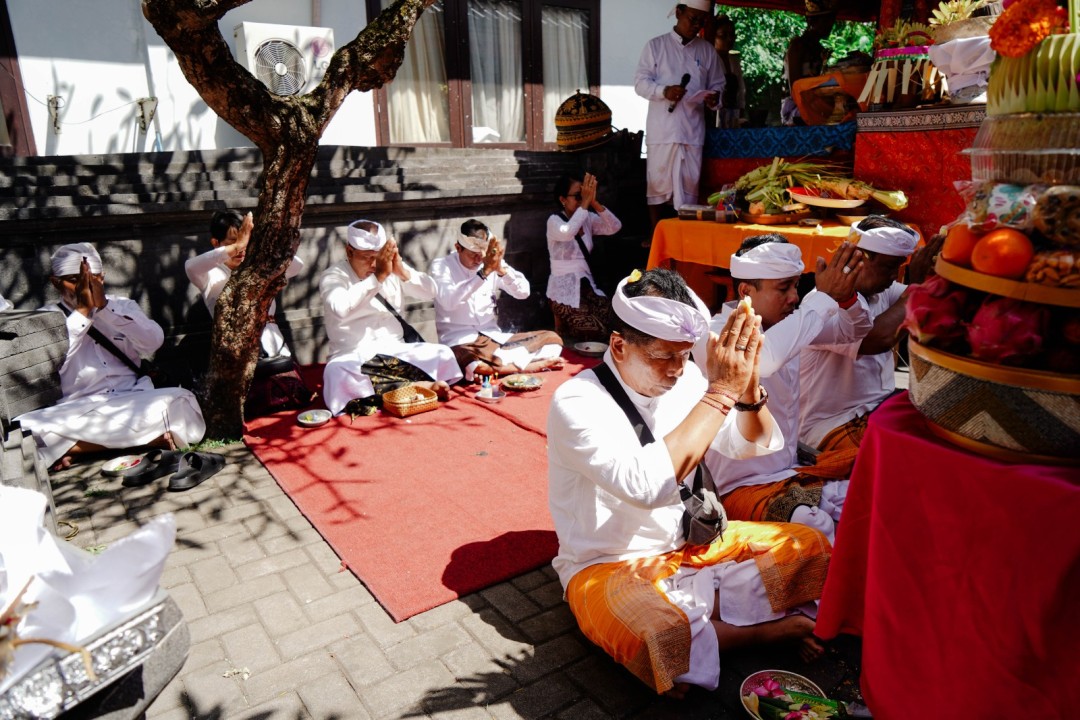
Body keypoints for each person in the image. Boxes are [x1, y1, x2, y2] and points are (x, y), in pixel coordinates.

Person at [548, 267, 832, 697]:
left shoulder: (687, 379)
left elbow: (750, 445)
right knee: (659, 637)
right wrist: (720, 394)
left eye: (685, 355)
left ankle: (704, 627)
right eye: (664, 357)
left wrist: (749, 390)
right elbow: (645, 487)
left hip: (693, 547)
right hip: (609, 564)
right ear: (620, 346)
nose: (679, 370)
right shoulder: (576, 401)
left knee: (810, 547)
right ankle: (766, 630)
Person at [698, 235, 870, 543]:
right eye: (783, 288)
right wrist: (824, 297)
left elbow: (853, 330)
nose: (794, 297)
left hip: (790, 473)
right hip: (737, 488)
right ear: (746, 292)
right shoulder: (714, 336)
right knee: (813, 526)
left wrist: (844, 298)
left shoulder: (788, 324)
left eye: (796, 286)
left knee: (871, 492)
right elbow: (764, 361)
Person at [15, 243, 206, 471]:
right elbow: (48, 364)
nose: (83, 287)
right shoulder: (44, 319)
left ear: (102, 278)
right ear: (55, 282)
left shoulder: (122, 305)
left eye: (92, 279)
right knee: (22, 428)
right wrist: (83, 313)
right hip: (77, 409)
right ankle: (149, 439)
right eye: (74, 280)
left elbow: (153, 341)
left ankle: (74, 447)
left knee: (182, 401)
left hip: (132, 399)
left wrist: (104, 308)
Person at [798, 216, 921, 450]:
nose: (894, 276)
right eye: (888, 267)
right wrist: (921, 287)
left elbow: (917, 303)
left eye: (899, 267)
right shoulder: (821, 303)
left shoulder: (880, 289)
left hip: (876, 408)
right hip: (826, 426)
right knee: (905, 453)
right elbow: (876, 339)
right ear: (860, 259)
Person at [319, 219, 462, 416]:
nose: (373, 264)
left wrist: (402, 271)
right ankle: (417, 385)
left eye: (377, 257)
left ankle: (397, 391)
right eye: (367, 257)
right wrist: (377, 278)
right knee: (337, 373)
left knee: (442, 353)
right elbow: (339, 308)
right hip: (353, 355)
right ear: (349, 252)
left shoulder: (390, 267)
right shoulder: (334, 276)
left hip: (397, 351)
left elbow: (431, 292)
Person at [430, 219, 564, 381]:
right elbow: (449, 301)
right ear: (458, 248)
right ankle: (527, 366)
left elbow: (524, 292)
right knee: (469, 361)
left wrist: (500, 269)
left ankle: (497, 369)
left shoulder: (490, 261)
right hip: (460, 342)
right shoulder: (441, 266)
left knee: (552, 339)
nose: (479, 260)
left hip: (494, 339)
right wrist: (484, 273)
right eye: (473, 255)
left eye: (482, 254)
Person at [634, 0, 724, 229]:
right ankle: (657, 237)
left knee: (689, 188)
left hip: (692, 131)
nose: (696, 26)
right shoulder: (656, 46)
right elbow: (640, 84)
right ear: (678, 12)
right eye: (692, 19)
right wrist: (664, 91)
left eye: (701, 22)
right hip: (662, 129)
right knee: (657, 186)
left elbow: (718, 84)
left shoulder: (707, 50)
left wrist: (715, 98)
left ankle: (684, 236)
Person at [185, 209, 303, 361]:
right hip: (236, 360)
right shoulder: (209, 274)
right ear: (216, 243)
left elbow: (297, 266)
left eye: (245, 242)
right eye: (232, 242)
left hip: (277, 351)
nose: (241, 249)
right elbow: (190, 267)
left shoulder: (261, 267)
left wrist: (263, 244)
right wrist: (236, 246)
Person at [546, 172, 623, 343]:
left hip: (587, 287)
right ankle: (565, 323)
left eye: (583, 195)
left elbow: (615, 226)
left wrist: (593, 201)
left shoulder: (586, 218)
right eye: (577, 196)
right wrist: (586, 204)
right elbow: (568, 232)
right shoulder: (554, 221)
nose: (582, 200)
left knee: (617, 324)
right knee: (597, 332)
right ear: (563, 199)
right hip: (563, 290)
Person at [781, 1, 837, 126]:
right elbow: (796, 89)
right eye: (826, 20)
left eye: (831, 21)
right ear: (812, 21)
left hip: (813, 105)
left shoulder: (818, 49)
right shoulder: (797, 46)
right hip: (795, 110)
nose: (830, 25)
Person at [707, 15, 746, 129]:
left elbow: (741, 92)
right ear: (713, 36)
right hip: (712, 117)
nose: (729, 39)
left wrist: (740, 116)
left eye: (732, 35)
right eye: (723, 35)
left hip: (732, 117)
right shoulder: (709, 60)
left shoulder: (734, 60)